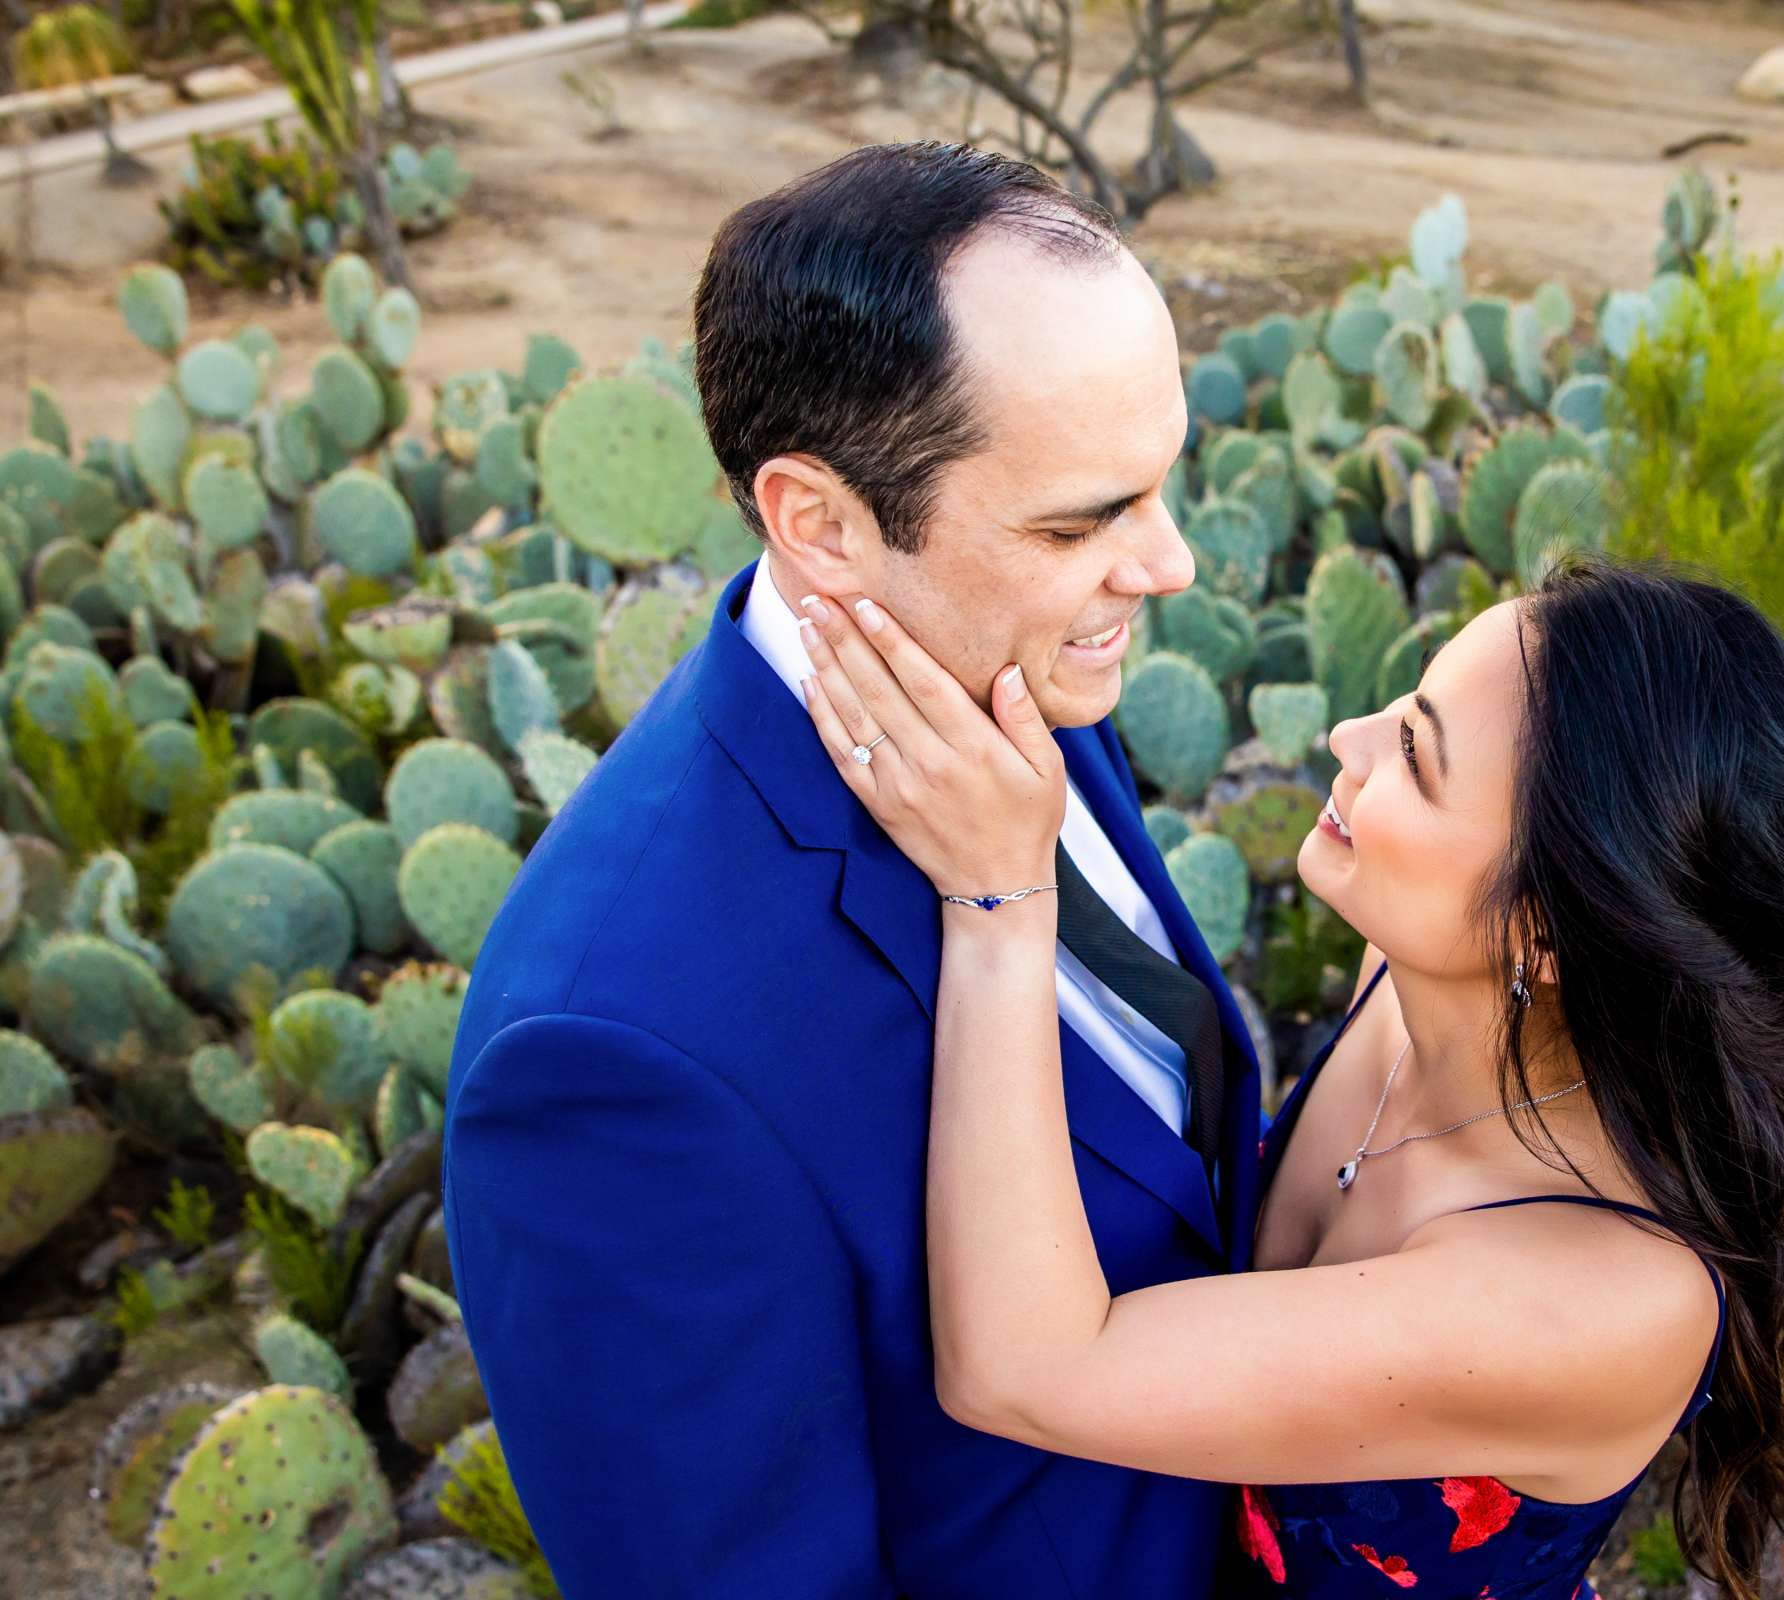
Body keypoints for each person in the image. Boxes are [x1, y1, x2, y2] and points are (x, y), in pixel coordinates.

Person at [442, 141, 1264, 1598]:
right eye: (1082, 521)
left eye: (1160, 486)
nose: (1170, 563)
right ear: (819, 525)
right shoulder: (610, 1058)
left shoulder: (999, 663)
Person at [788, 552, 1784, 1600]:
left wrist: (998, 902)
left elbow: (1021, 1371)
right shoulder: (1425, 953)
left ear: (1542, 937)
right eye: (1406, 701)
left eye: (1413, 758)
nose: (1347, 734)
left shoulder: (1594, 1301)